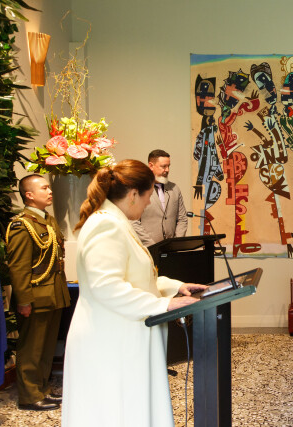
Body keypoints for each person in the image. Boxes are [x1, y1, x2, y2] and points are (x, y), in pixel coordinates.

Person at [62, 160, 206, 426]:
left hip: (121, 334)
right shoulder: (106, 225)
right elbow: (106, 286)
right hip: (109, 339)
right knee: (115, 412)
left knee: (130, 408)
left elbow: (136, 276)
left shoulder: (117, 222)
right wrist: (163, 305)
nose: (149, 203)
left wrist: (175, 287)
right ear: (132, 195)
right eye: (148, 195)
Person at [5, 174, 70, 411]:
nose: (50, 192)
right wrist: (24, 301)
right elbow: (19, 268)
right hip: (35, 296)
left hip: (53, 294)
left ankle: (42, 389)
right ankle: (29, 396)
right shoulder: (22, 225)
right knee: (31, 349)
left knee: (46, 348)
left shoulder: (47, 220)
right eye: (44, 188)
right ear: (29, 195)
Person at [132, 149, 188, 246]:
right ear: (151, 166)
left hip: (172, 249)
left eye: (168, 166)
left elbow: (182, 219)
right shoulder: (139, 189)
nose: (167, 170)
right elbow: (133, 221)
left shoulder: (174, 188)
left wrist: (176, 243)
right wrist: (152, 245)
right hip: (148, 248)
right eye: (163, 166)